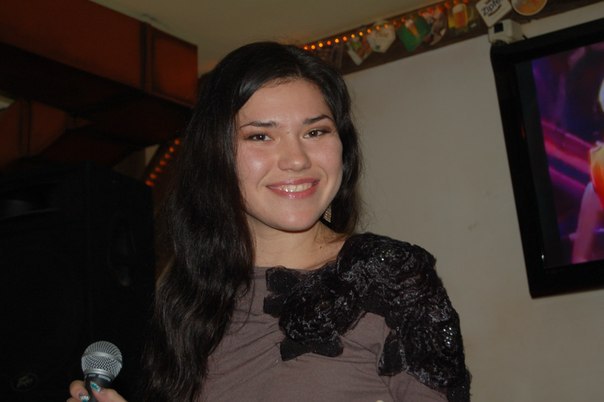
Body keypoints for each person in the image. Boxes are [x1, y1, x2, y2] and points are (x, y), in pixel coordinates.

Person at [67, 42, 470, 402]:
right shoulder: (182, 300)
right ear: (216, 155)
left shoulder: (392, 277)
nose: (296, 159)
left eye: (316, 131)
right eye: (261, 136)